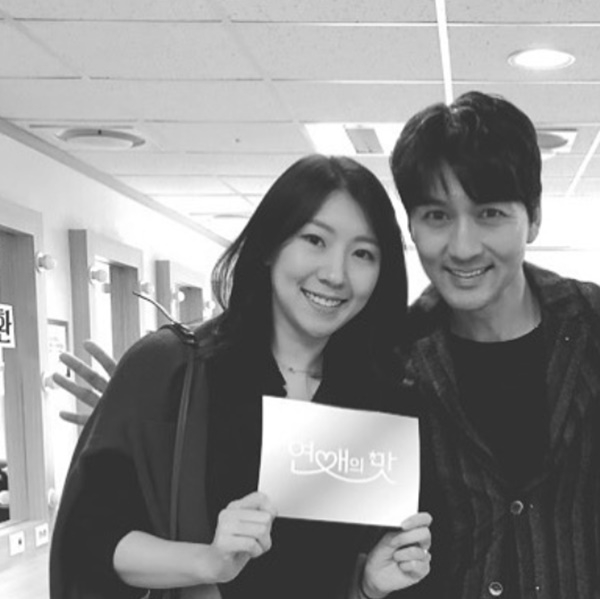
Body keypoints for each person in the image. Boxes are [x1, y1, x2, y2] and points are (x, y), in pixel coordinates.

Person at [50, 154, 432, 599]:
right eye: (314, 240)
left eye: (363, 253)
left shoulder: (381, 398)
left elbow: (323, 566)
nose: (335, 274)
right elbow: (90, 538)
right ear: (270, 246)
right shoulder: (174, 367)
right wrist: (207, 561)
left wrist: (366, 586)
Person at [390, 90, 600, 598]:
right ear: (412, 225)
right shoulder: (392, 356)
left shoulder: (593, 325)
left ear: (533, 217)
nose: (463, 248)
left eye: (489, 213)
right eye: (437, 216)